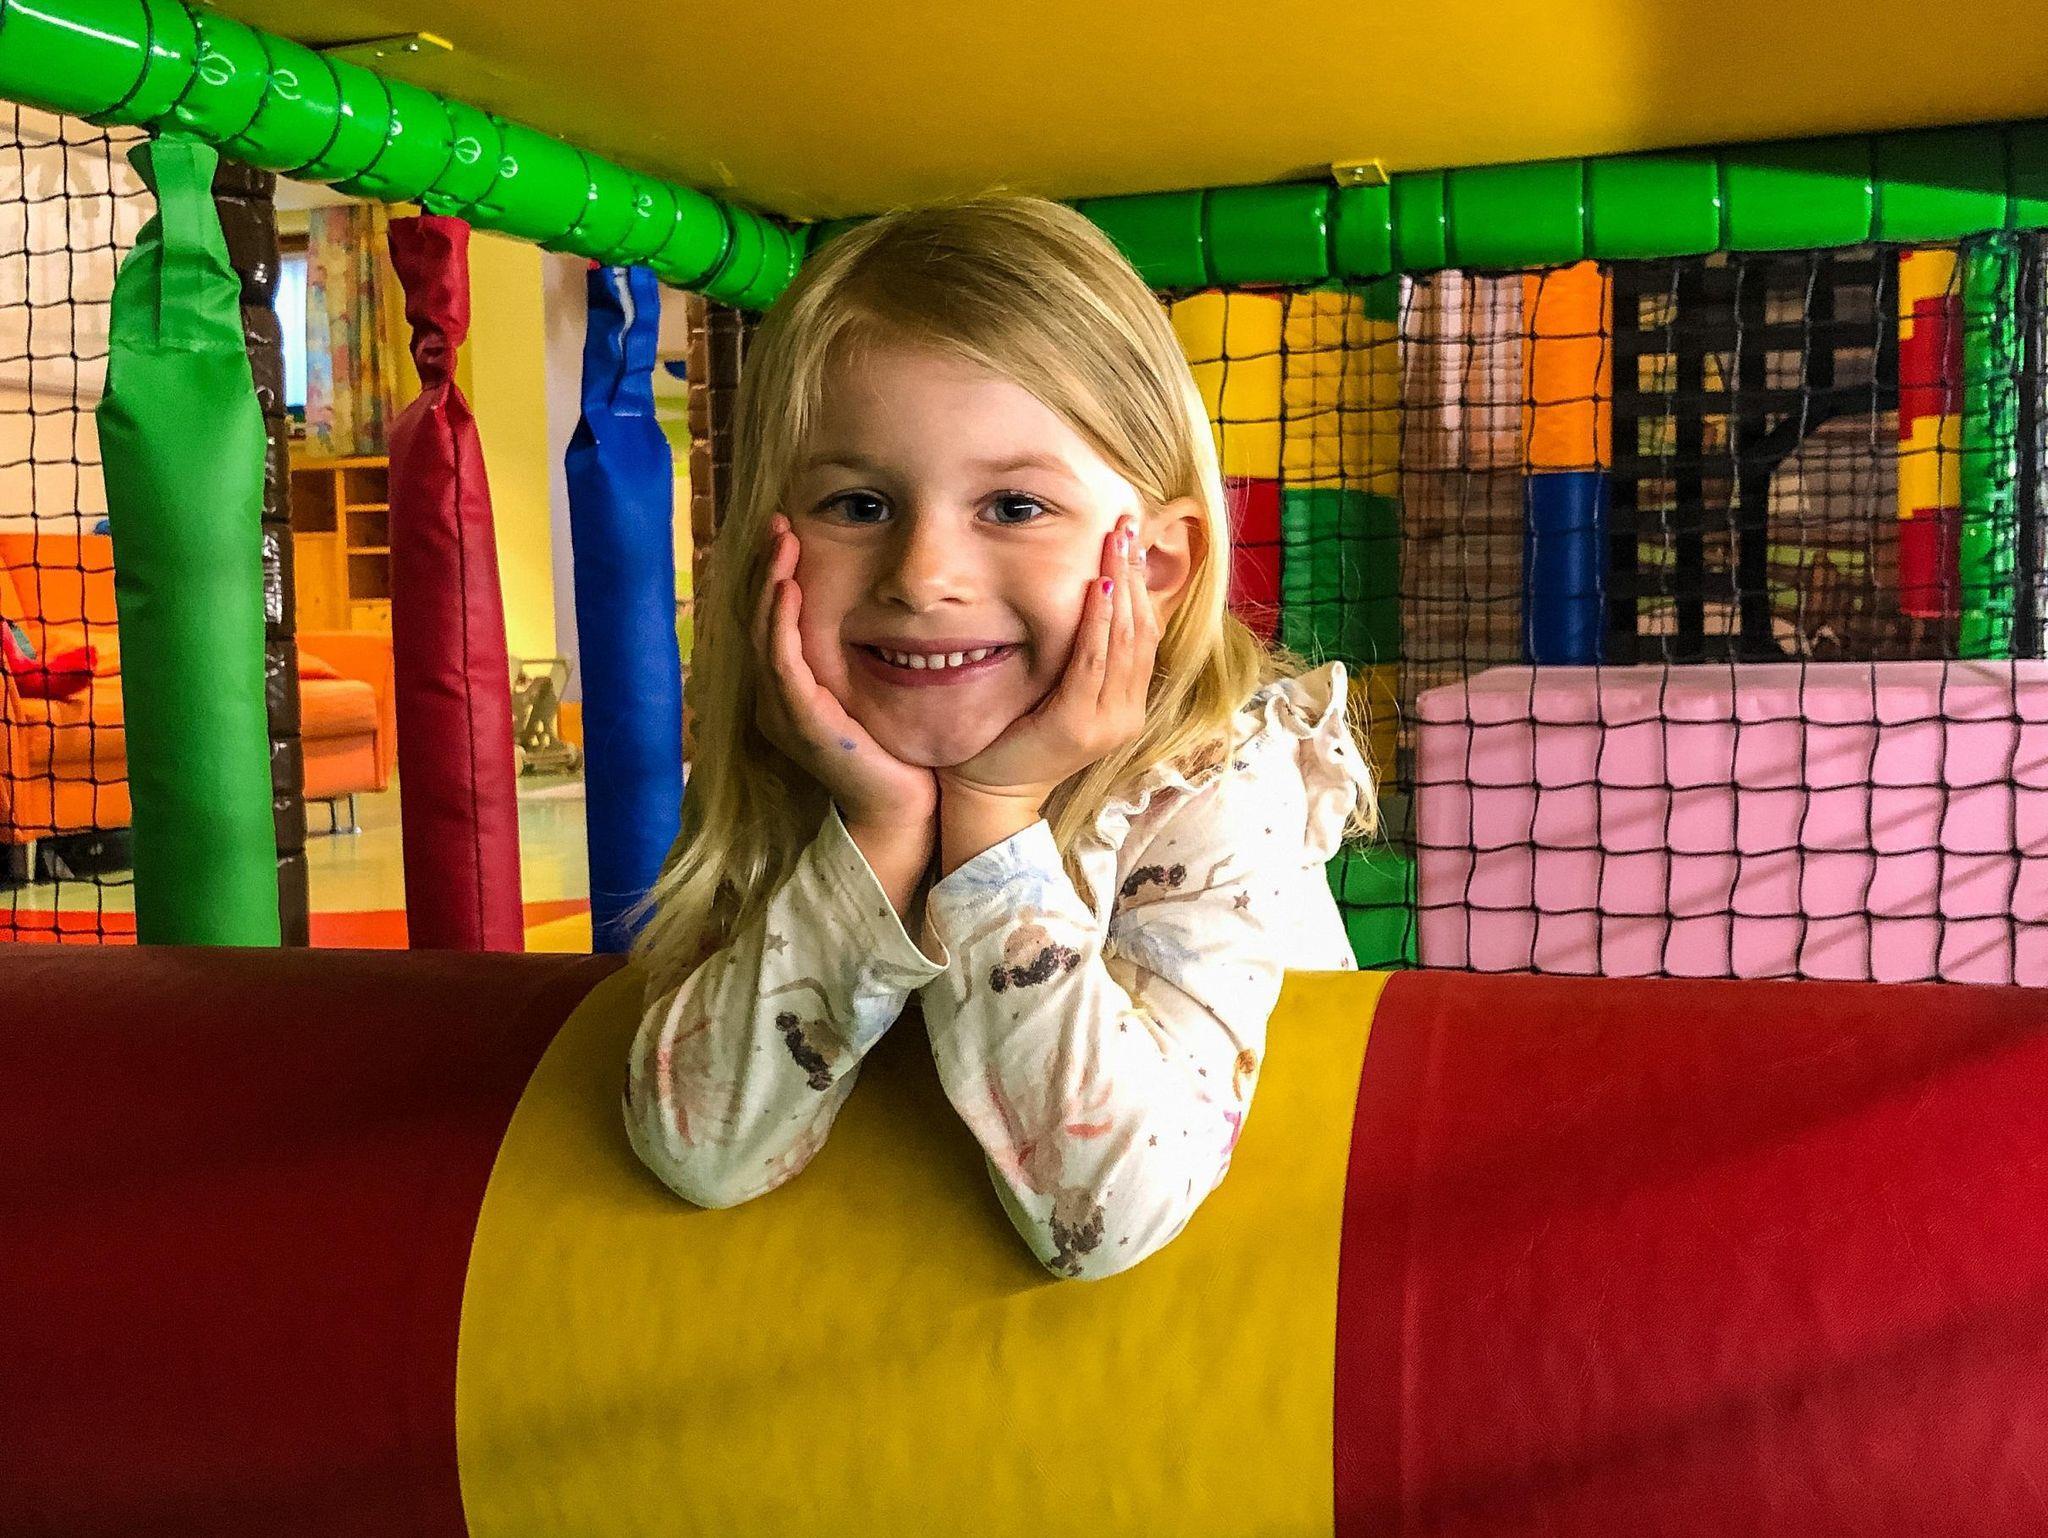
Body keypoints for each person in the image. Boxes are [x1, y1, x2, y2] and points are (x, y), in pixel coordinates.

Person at [624, 195, 1376, 1279]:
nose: (922, 575)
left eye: (1014, 507)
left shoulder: (1215, 783)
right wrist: (882, 831)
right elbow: (700, 1148)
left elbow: (1108, 1212)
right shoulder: (800, 760)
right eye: (859, 504)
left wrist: (991, 819)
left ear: (1156, 565)